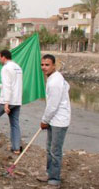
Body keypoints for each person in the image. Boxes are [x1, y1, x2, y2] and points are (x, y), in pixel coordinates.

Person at [36, 54, 71, 187]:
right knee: (49, 148)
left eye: (47, 65)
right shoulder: (54, 77)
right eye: (42, 64)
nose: (44, 67)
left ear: (53, 66)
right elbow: (67, 87)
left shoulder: (55, 81)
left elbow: (52, 105)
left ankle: (55, 179)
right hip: (53, 119)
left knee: (55, 150)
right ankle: (50, 174)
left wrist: (44, 120)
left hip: (59, 121)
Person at [0, 49, 23, 155]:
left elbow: (8, 86)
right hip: (17, 100)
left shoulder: (5, 68)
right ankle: (16, 148)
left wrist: (7, 102)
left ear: (3, 57)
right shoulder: (17, 67)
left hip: (6, 100)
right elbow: (12, 83)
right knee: (14, 123)